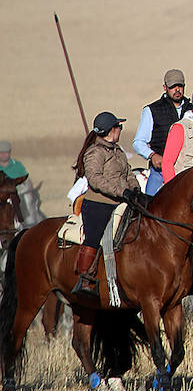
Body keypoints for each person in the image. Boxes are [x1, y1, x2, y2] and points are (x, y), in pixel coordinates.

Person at [71, 111, 142, 300]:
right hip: (99, 204)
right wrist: (121, 192)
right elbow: (95, 180)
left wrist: (134, 189)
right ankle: (85, 279)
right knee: (94, 238)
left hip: (123, 200)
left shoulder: (118, 151)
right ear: (111, 130)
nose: (120, 129)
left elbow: (128, 173)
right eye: (119, 126)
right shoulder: (95, 152)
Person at [132, 68, 191, 196]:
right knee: (152, 206)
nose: (177, 90)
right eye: (173, 86)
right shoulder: (152, 110)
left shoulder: (192, 110)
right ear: (165, 87)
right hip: (160, 172)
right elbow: (139, 142)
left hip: (187, 170)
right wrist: (152, 155)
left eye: (180, 86)